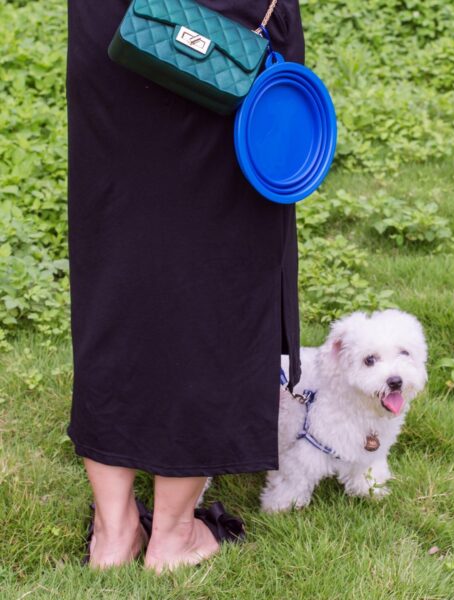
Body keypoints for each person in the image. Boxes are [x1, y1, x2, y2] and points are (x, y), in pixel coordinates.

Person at [65, 0, 304, 572]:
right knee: (216, 270)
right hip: (227, 38)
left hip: (119, 25)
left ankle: (113, 530)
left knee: (115, 265)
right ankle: (172, 536)